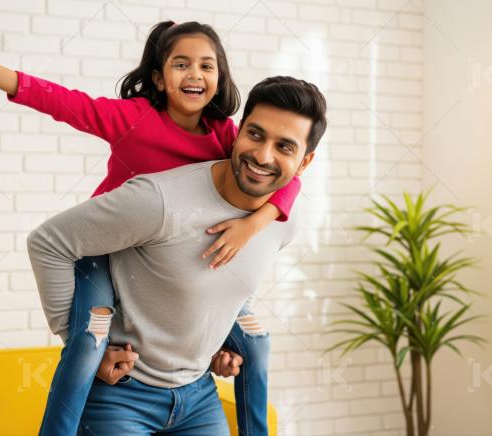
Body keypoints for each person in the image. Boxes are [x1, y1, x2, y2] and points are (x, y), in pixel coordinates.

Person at [0, 21, 301, 436]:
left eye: (206, 66)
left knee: (256, 342)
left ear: (220, 78)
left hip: (175, 265)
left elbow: (288, 177)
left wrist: (255, 223)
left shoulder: (226, 134)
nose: (194, 75)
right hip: (103, 255)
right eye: (180, 64)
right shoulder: (134, 118)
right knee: (87, 344)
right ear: (158, 77)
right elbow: (66, 103)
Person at [27, 75, 328, 435]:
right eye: (256, 135)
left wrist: (215, 347)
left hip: (199, 397)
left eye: (285, 147)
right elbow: (48, 242)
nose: (262, 156)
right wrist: (83, 343)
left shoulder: (283, 223)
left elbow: (226, 289)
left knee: (258, 339)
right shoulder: (160, 199)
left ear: (305, 162)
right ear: (238, 131)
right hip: (120, 396)